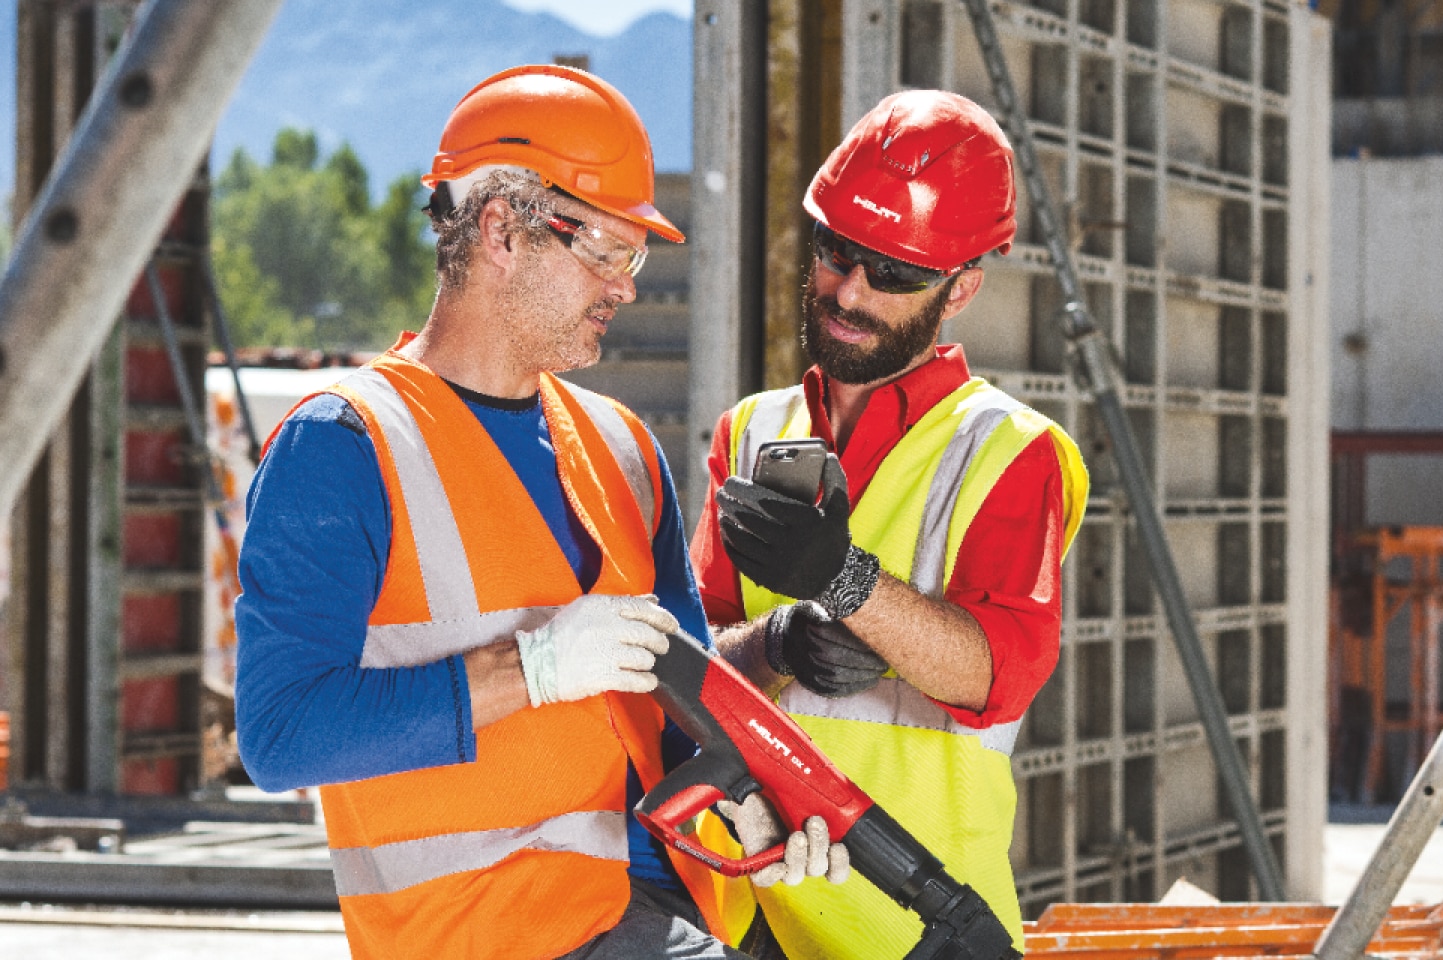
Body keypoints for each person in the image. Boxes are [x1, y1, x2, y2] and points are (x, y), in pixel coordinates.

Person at [234, 65, 839, 960]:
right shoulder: (344, 446)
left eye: (634, 256)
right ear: (500, 231)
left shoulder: (622, 448)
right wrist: (536, 667)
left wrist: (752, 795)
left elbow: (684, 692)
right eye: (605, 249)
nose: (625, 286)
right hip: (483, 933)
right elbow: (281, 737)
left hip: (663, 907)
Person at [691, 90, 1090, 959]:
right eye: (838, 252)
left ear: (961, 290)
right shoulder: (750, 431)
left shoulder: (1013, 451)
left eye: (897, 274)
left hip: (922, 920)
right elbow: (691, 671)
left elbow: (1000, 674)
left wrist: (847, 585)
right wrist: (778, 641)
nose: (851, 290)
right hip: (756, 905)